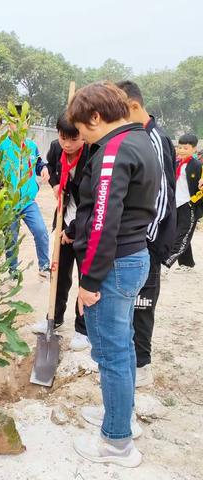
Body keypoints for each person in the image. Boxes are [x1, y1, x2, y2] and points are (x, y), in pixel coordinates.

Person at [68, 82, 160, 467]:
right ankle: (119, 417)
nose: (83, 138)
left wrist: (88, 280)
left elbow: (105, 219)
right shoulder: (143, 141)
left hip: (114, 264)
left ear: (95, 117)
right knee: (120, 346)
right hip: (134, 256)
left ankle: (116, 442)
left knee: (112, 353)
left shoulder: (114, 149)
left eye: (83, 129)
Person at [117, 80, 177, 388]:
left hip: (149, 242)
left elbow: (164, 196)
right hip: (142, 241)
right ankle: (134, 361)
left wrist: (146, 241)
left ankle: (142, 365)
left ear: (134, 107)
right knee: (132, 304)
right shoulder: (140, 135)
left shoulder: (154, 138)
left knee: (142, 305)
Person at [31, 113, 91, 351]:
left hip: (85, 227)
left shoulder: (93, 154)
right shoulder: (57, 149)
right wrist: (56, 183)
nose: (67, 144)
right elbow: (52, 168)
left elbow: (93, 202)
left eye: (73, 139)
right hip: (64, 219)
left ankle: (82, 329)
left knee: (85, 279)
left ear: (83, 135)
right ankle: (53, 320)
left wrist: (74, 230)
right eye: (62, 137)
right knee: (59, 275)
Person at [0, 108, 51, 279]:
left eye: (23, 121)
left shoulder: (31, 146)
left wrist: (43, 169)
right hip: (8, 203)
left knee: (41, 231)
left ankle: (44, 266)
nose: (19, 125)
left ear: (27, 123)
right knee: (10, 238)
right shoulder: (2, 147)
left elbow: (38, 164)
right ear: (9, 124)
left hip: (28, 201)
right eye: (15, 121)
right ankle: (13, 270)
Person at [163, 134, 203, 272]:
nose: (181, 150)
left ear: (194, 149)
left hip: (189, 205)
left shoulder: (197, 165)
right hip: (175, 204)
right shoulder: (176, 163)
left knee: (181, 236)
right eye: (179, 147)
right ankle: (187, 264)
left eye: (185, 148)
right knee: (181, 234)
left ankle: (166, 263)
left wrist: (193, 202)